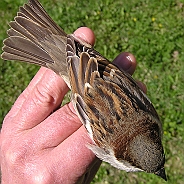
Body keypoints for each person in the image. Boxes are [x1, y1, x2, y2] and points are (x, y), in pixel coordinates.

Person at [0, 27, 147, 184]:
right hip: (82, 78)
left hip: (91, 69)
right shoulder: (106, 138)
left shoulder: (144, 110)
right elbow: (84, 100)